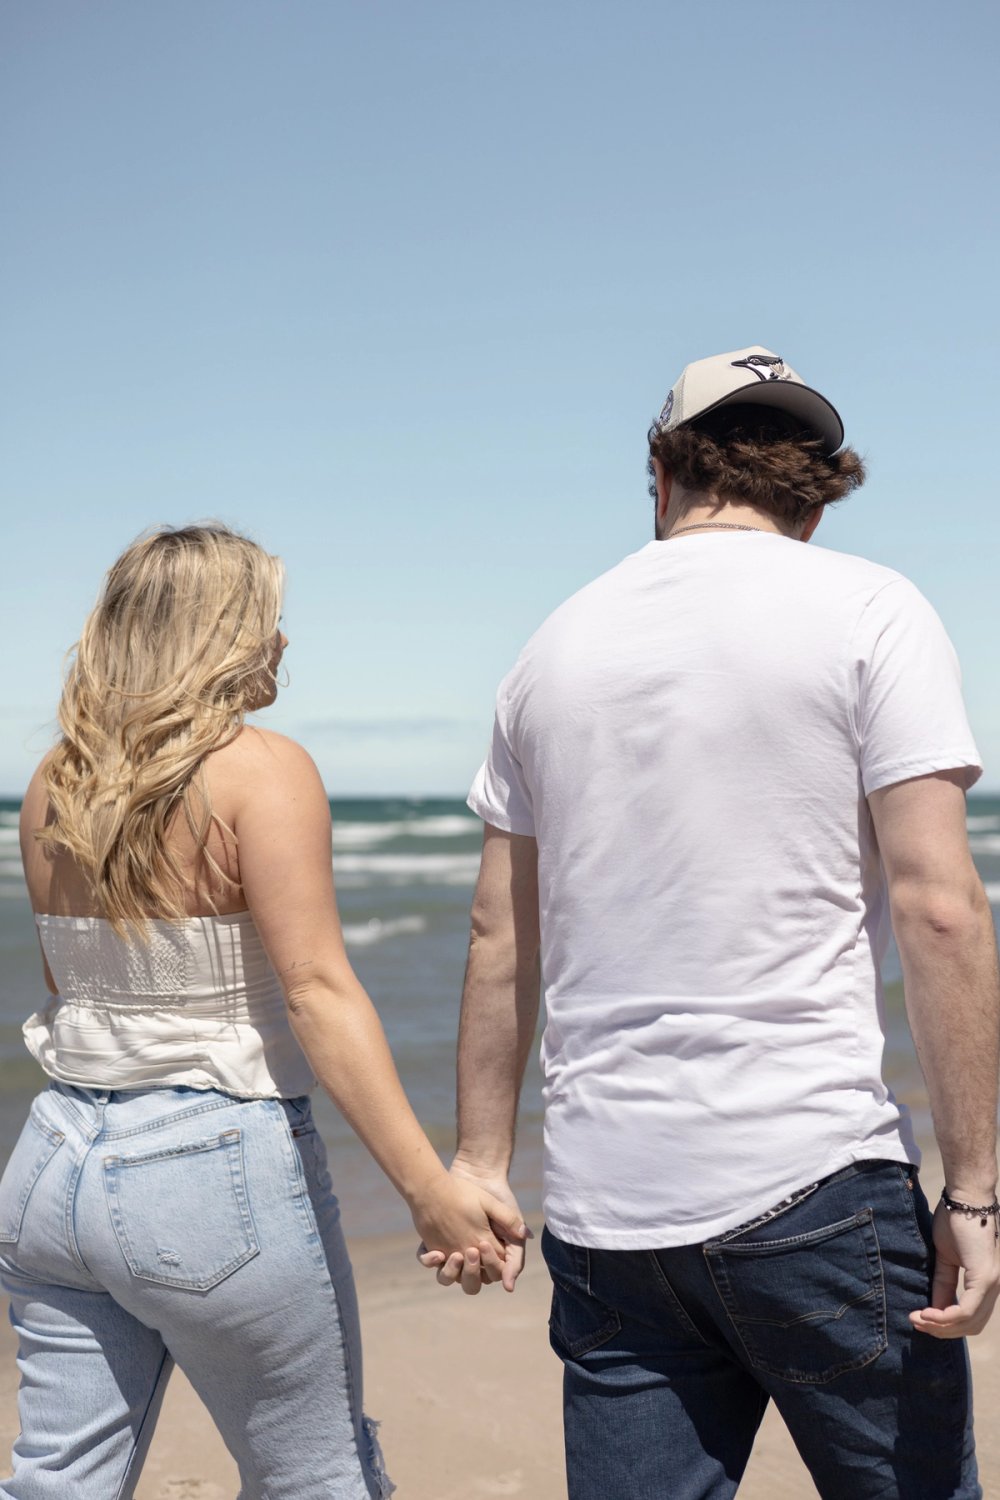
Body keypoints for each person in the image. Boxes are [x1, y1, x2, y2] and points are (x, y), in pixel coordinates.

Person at [426, 348, 1000, 1498]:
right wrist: (976, 1189)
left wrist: (481, 1157)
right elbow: (938, 908)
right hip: (814, 1182)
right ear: (812, 487)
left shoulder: (550, 650)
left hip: (607, 1213)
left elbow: (500, 933)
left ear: (661, 471)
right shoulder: (869, 608)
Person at [0, 523, 525, 1500]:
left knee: (55, 1485)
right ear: (218, 634)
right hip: (207, 1179)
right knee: (316, 1480)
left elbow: (73, 989)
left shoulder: (50, 784)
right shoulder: (262, 769)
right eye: (265, 622)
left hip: (49, 1175)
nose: (280, 643)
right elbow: (318, 992)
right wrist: (427, 1189)